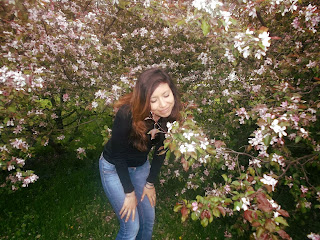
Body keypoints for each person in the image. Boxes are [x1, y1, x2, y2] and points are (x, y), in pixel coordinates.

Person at [99, 68, 182, 240]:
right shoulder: (127, 114)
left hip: (140, 167)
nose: (163, 104)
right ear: (145, 100)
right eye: (154, 100)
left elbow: (161, 151)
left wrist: (150, 183)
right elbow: (118, 156)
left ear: (172, 92)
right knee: (131, 227)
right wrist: (129, 193)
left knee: (148, 220)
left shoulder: (170, 117)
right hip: (114, 167)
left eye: (166, 95)